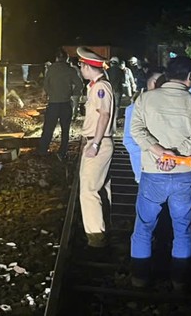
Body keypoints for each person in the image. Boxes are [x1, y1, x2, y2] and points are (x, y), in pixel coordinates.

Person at [128, 55, 191, 290]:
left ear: (168, 74)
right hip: (183, 174)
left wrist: (159, 152)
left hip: (153, 173)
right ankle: (179, 280)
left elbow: (136, 130)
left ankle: (139, 278)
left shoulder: (146, 99)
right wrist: (176, 156)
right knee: (182, 228)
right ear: (190, 77)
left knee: (143, 227)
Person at [76, 47, 115, 250]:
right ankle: (103, 229)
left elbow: (104, 116)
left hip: (98, 142)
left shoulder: (101, 87)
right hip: (97, 141)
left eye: (80, 65)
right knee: (100, 188)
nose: (79, 68)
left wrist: (95, 144)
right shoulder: (97, 86)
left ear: (86, 66)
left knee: (88, 191)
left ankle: (95, 237)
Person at [35, 48, 82, 158]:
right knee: (65, 130)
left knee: (48, 128)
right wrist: (71, 93)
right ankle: (62, 151)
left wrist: (51, 94)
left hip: (53, 104)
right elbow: (79, 85)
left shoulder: (51, 69)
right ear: (67, 58)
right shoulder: (71, 70)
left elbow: (46, 85)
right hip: (66, 104)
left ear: (56, 58)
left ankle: (43, 150)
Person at [122, 69, 165, 183]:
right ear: (149, 82)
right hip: (145, 167)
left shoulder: (168, 106)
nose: (159, 85)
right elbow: (129, 139)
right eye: (156, 81)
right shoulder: (136, 106)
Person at [106, 57, 124, 130]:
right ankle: (114, 124)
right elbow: (123, 80)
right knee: (116, 107)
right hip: (117, 91)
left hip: (109, 90)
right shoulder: (121, 71)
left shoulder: (107, 71)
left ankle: (108, 123)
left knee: (109, 106)